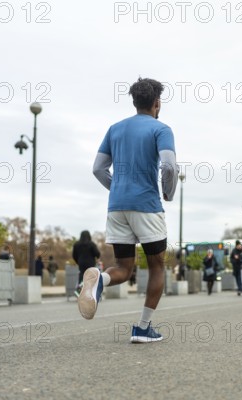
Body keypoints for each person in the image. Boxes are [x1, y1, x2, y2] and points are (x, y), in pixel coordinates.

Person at [86, 77, 179, 344]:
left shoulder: (114, 129)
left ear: (135, 102)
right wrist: (167, 192)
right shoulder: (161, 129)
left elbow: (97, 168)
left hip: (116, 207)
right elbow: (170, 167)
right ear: (157, 103)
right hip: (147, 206)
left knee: (123, 267)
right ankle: (142, 328)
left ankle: (100, 279)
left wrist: (117, 188)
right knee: (157, 266)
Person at [72, 230, 101, 296]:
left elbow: (74, 255)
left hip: (81, 263)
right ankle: (91, 294)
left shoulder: (76, 244)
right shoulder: (91, 244)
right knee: (90, 277)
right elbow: (97, 254)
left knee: (82, 275)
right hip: (90, 263)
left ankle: (79, 291)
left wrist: (78, 261)